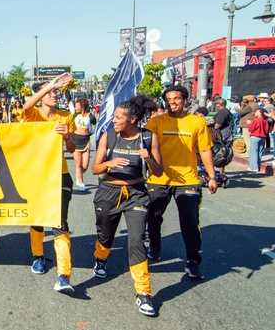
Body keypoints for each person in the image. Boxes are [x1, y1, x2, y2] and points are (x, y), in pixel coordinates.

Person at [90, 95, 163, 316]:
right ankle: (100, 259)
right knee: (106, 235)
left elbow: (159, 171)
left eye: (119, 117)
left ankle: (143, 293)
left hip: (136, 194)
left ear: (133, 118)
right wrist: (108, 164)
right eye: (114, 117)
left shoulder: (149, 138)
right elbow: (94, 169)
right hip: (109, 191)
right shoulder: (108, 136)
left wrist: (148, 159)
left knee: (136, 240)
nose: (114, 120)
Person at [145, 85, 218, 280]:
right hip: (159, 178)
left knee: (190, 222)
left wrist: (212, 176)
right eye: (168, 99)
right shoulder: (155, 122)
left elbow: (204, 150)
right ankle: (154, 245)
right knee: (153, 215)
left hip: (188, 180)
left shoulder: (197, 123)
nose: (172, 102)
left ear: (184, 100)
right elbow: (144, 148)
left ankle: (193, 261)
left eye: (176, 98)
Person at [22, 73, 77, 293]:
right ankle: (38, 257)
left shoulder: (65, 117)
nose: (53, 94)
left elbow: (74, 148)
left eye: (55, 91)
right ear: (41, 95)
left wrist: (66, 137)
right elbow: (27, 105)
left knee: (59, 223)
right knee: (36, 220)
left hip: (60, 174)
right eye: (49, 92)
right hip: (36, 175)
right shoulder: (33, 114)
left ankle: (64, 275)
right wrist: (50, 84)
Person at [71, 98, 95, 192]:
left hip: (85, 141)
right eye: (75, 106)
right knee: (79, 164)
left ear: (82, 106)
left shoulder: (91, 117)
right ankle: (81, 182)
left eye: (77, 106)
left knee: (85, 165)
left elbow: (92, 128)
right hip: (76, 141)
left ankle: (78, 174)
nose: (76, 108)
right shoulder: (74, 116)